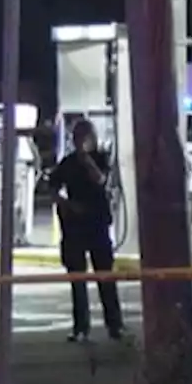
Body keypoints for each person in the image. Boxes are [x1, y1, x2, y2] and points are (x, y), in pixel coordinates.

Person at [51, 119, 124, 342]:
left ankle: (114, 325)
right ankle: (80, 326)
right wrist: (66, 204)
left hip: (97, 224)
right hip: (74, 226)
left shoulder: (101, 158)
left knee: (105, 276)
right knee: (77, 278)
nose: (81, 140)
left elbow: (101, 180)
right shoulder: (67, 163)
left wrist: (86, 160)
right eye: (77, 136)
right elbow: (52, 186)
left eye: (85, 135)